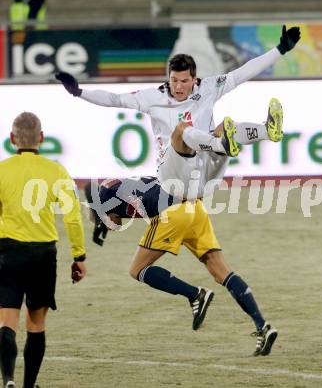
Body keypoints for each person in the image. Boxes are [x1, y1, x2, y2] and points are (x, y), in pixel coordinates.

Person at [57, 25, 300, 356]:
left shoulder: (209, 88)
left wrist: (280, 50)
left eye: (184, 81)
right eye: (174, 81)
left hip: (187, 186)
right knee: (220, 269)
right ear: (167, 78)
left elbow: (243, 73)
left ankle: (251, 134)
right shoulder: (152, 97)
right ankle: (263, 325)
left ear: (194, 79)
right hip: (183, 182)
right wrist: (79, 92)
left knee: (185, 133)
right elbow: (114, 99)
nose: (179, 87)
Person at [0, 112, 87, 388]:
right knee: (36, 324)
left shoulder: (2, 170)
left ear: (12, 139)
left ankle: (8, 380)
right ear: (42, 139)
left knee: (6, 320)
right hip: (43, 254)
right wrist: (79, 256)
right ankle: (28, 386)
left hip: (8, 251)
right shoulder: (56, 171)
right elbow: (72, 216)